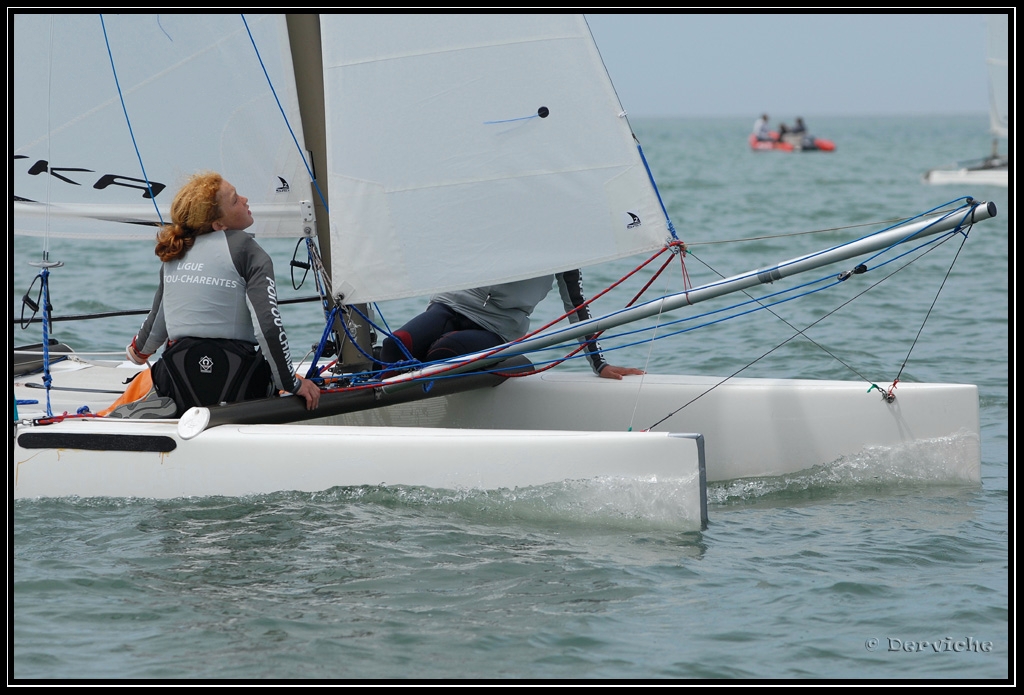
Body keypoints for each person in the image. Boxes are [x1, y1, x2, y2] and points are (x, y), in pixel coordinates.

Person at [125, 171, 320, 414]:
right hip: (238, 387)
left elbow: (152, 331)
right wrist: (292, 383)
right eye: (235, 199)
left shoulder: (175, 253)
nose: (246, 199)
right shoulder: (247, 250)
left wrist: (136, 354)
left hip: (179, 387)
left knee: (165, 365)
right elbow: (268, 328)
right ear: (219, 225)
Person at [377, 270, 646, 380]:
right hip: (449, 305)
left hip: (495, 327)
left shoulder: (564, 240)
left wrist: (598, 363)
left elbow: (576, 306)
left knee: (443, 355)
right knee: (393, 347)